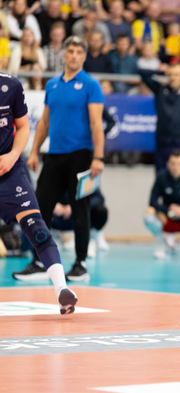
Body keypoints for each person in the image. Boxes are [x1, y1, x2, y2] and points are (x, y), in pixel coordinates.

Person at [14, 35, 105, 282]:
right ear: (64, 54)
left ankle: (80, 263)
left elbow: (97, 124)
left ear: (84, 56)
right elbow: (44, 122)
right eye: (71, 50)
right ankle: (40, 262)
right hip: (54, 156)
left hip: (82, 156)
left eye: (78, 51)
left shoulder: (90, 85)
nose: (74, 55)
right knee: (38, 209)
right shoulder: (52, 84)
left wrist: (98, 157)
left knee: (80, 211)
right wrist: (34, 151)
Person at [1, 61, 78, 314]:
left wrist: (12, 156)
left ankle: (61, 290)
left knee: (38, 229)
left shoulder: (10, 85)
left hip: (9, 172)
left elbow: (23, 127)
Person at [52, 190, 109, 257]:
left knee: (101, 211)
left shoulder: (85, 180)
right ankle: (53, 238)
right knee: (41, 208)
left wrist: (75, 206)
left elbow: (99, 198)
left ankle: (91, 238)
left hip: (79, 215)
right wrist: (52, 204)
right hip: (59, 217)